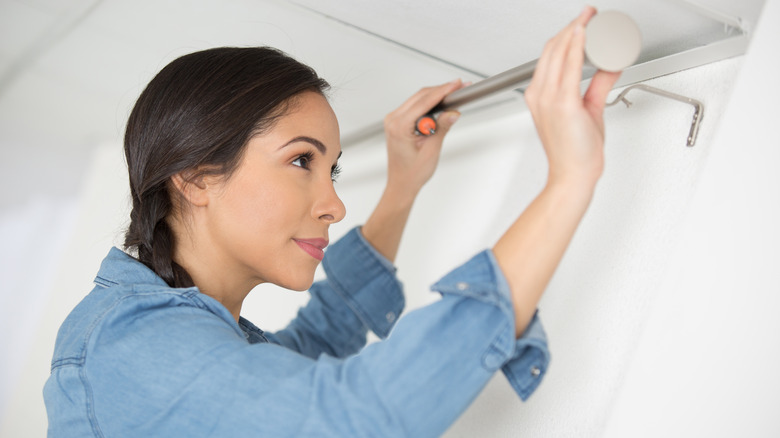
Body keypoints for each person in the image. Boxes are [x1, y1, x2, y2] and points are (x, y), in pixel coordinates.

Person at [44, 6, 620, 437]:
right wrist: (569, 181)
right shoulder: (132, 341)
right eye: (301, 160)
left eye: (332, 170)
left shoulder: (176, 338)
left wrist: (401, 188)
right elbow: (351, 416)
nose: (335, 205)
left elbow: (314, 345)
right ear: (195, 179)